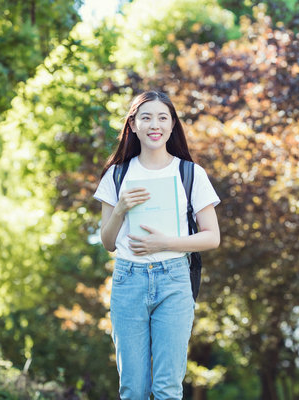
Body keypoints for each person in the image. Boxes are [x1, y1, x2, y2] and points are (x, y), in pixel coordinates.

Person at [93, 90, 220, 399]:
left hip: (174, 279)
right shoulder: (117, 174)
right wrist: (121, 207)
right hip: (128, 280)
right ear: (133, 125)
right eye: (146, 117)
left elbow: (212, 236)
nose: (155, 125)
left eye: (163, 118)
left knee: (167, 389)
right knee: (133, 389)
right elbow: (108, 242)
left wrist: (166, 243)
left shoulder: (190, 173)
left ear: (172, 125)